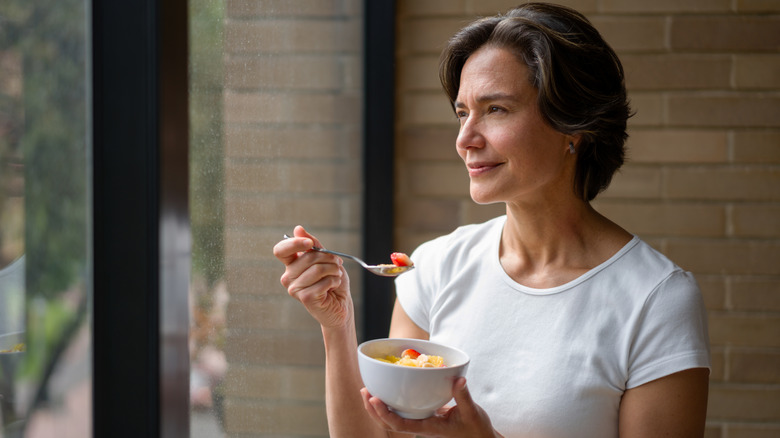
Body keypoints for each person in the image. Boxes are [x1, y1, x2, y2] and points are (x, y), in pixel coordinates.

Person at [273, 3, 710, 437]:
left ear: (573, 126)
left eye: (496, 109)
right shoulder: (435, 268)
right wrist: (338, 326)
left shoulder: (655, 299)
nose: (465, 139)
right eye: (463, 112)